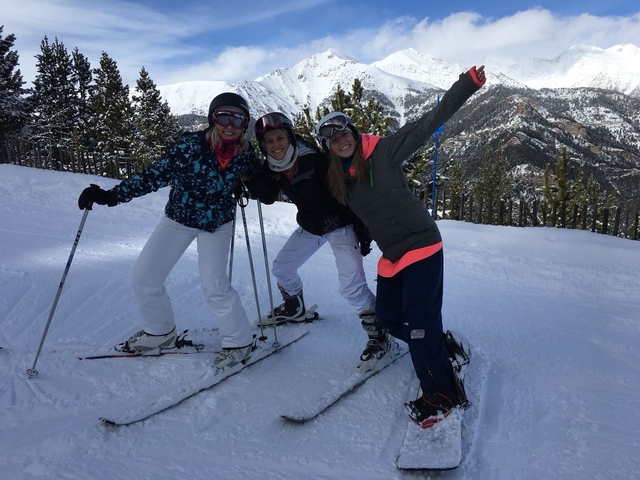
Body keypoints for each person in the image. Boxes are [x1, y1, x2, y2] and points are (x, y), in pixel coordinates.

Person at [316, 66, 486, 427]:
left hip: (422, 245)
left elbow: (428, 123)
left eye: (343, 132)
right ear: (328, 148)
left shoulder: (384, 152)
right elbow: (361, 215)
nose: (340, 140)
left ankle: (442, 394)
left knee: (420, 326)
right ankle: (442, 348)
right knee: (391, 319)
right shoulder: (339, 181)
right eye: (331, 139)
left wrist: (466, 84)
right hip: (392, 255)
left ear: (352, 133)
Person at [77, 92, 262, 369]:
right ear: (213, 118)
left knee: (214, 283)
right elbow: (155, 175)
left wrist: (261, 184)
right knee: (144, 275)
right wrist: (112, 196)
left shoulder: (246, 155)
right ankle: (159, 333)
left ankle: (239, 341)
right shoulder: (190, 146)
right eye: (224, 116)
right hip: (178, 219)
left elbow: (265, 176)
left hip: (216, 224)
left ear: (245, 124)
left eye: (238, 118)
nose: (230, 124)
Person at [243, 111, 394, 371]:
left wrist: (362, 230)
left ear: (290, 136)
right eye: (269, 141)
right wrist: (248, 177)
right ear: (262, 145)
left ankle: (380, 337)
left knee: (351, 287)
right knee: (282, 267)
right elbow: (268, 196)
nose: (276, 145)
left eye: (280, 138)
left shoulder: (313, 160)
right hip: (312, 226)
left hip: (339, 225)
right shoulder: (272, 165)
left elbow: (346, 194)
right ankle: (295, 307)